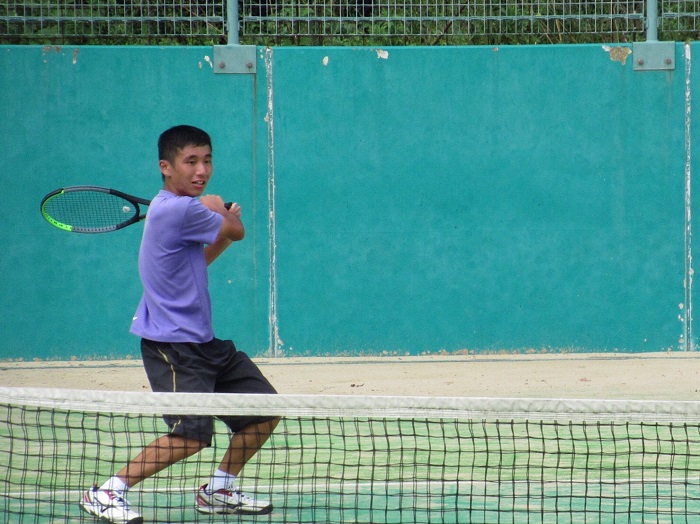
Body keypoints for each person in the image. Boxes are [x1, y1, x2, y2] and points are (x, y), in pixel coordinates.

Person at [80, 125, 279, 524]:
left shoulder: (178, 211)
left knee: (265, 410)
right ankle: (106, 492)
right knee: (189, 436)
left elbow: (196, 264)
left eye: (207, 160)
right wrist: (219, 207)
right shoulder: (182, 208)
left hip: (204, 342)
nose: (202, 170)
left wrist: (217, 223)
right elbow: (237, 230)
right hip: (172, 346)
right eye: (191, 162)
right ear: (166, 167)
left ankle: (219, 489)